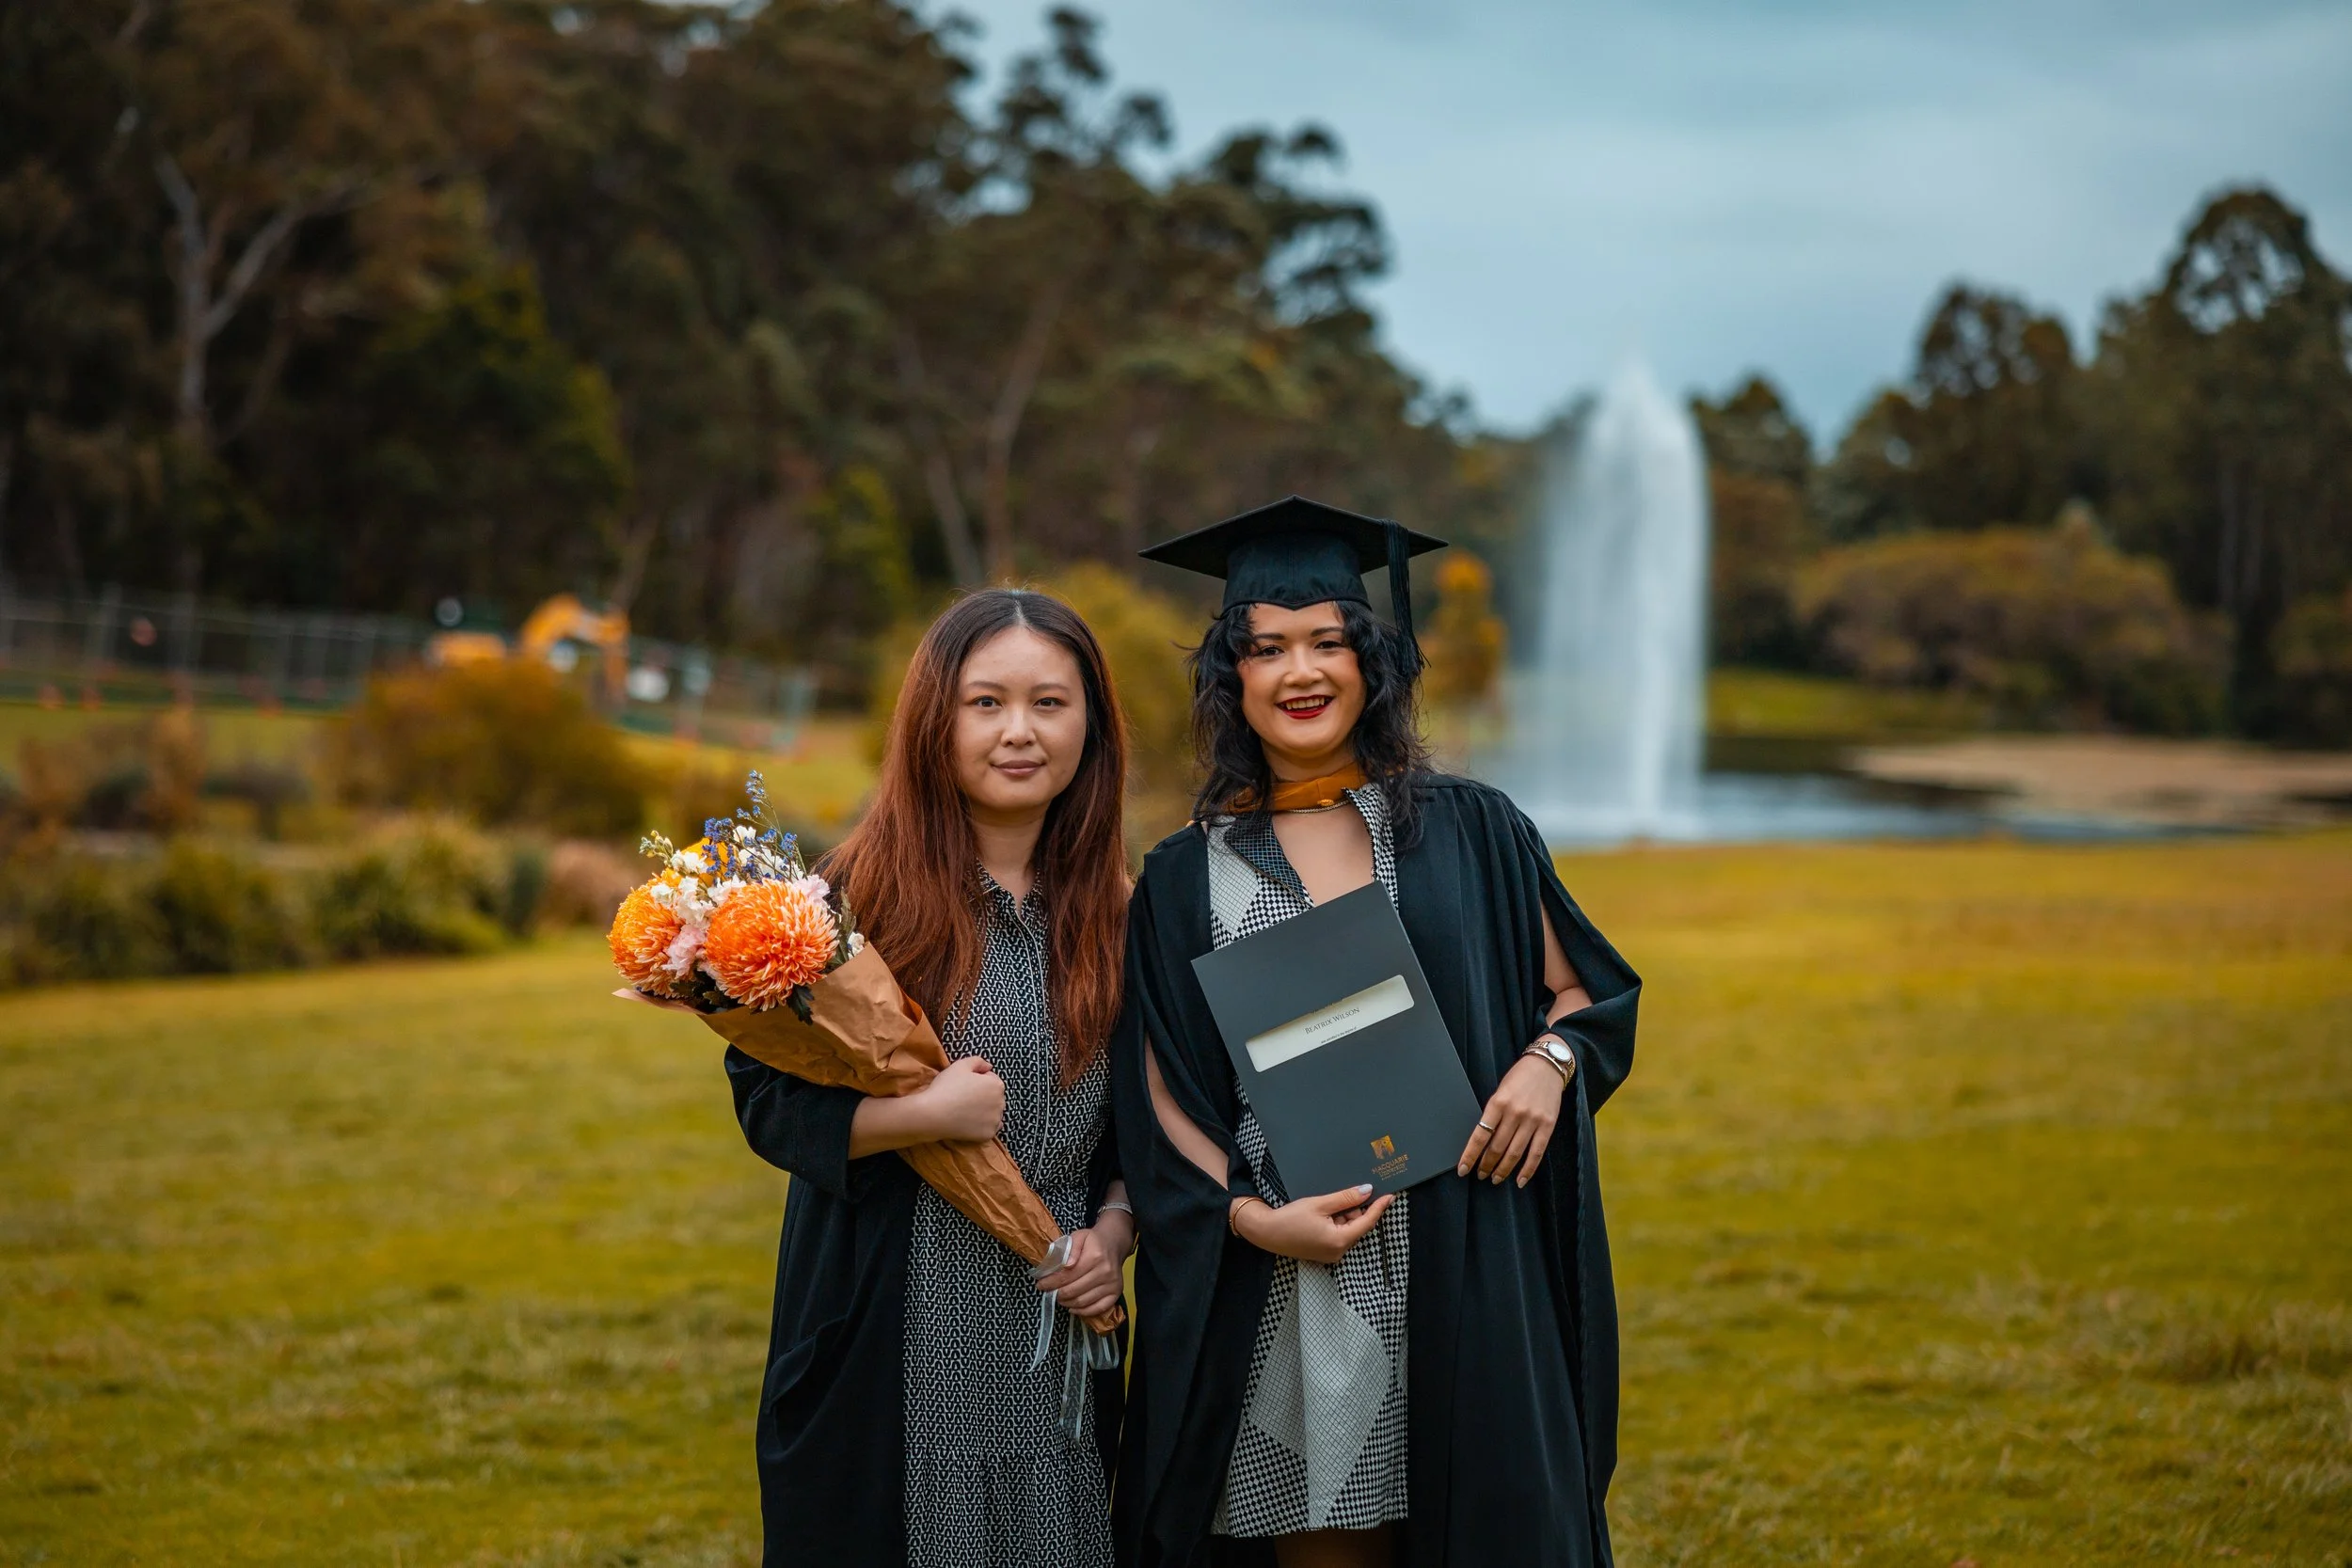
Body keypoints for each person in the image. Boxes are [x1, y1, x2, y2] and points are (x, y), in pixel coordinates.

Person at [1111, 496, 1641, 1568]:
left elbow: (1588, 993)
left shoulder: (1473, 829)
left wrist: (1548, 1064)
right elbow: (1159, 1086)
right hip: (1301, 1268)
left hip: (1466, 1248)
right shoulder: (1180, 875)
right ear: (1232, 676)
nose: (1299, 671)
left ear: (1372, 659)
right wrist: (1253, 1222)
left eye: (1327, 641)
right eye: (1265, 649)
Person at [726, 588, 1136, 1568]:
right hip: (891, 1318)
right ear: (933, 719)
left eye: (1050, 702)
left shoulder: (1127, 911)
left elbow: (1148, 1125)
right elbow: (769, 1099)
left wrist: (1114, 1235)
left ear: (1092, 724)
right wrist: (918, 1113)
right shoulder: (851, 899)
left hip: (1058, 1325)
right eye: (984, 702)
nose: (1019, 732)